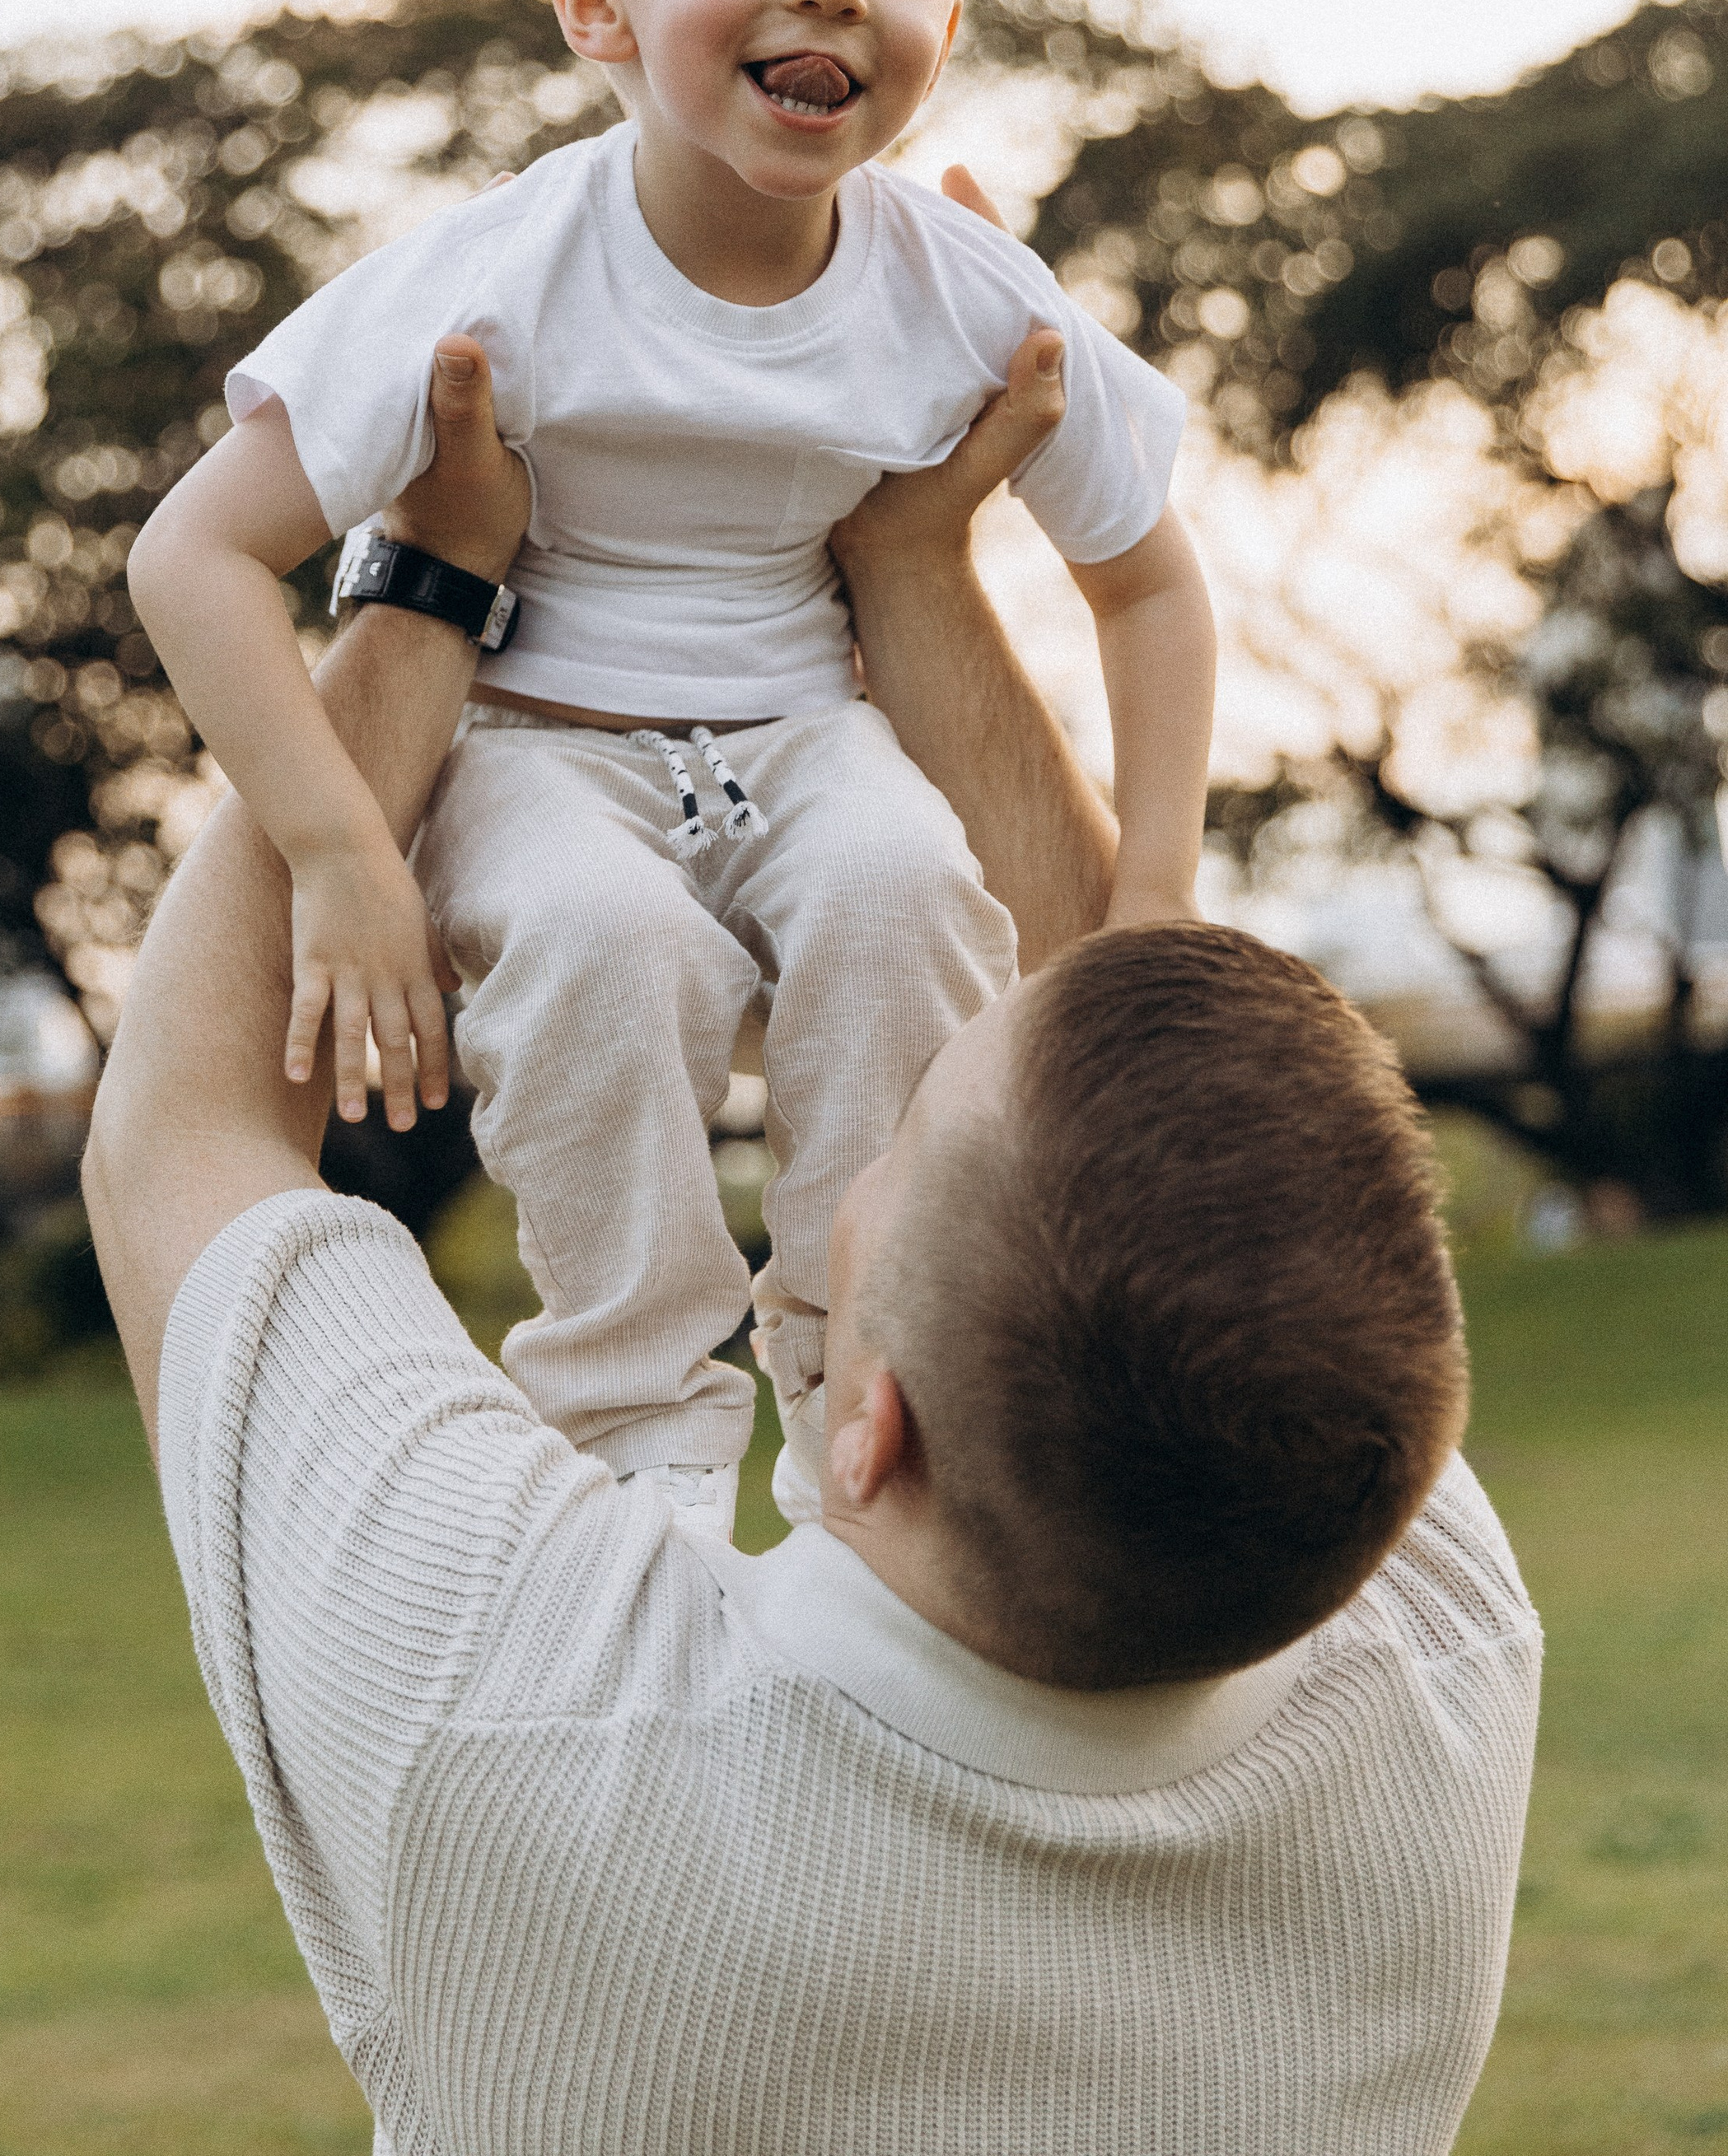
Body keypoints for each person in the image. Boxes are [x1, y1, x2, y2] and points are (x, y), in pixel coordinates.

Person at [84, 340, 1539, 2156]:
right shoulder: (1437, 1671)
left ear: (866, 1427)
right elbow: (1147, 1076)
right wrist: (912, 568)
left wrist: (432, 577)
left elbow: (190, 1132)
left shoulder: (518, 1709)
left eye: (900, 1141)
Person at [125, 0, 1217, 1536]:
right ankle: (634, 1414)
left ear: (942, 22)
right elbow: (192, 555)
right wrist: (339, 856)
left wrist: (1156, 912)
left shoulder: (950, 287)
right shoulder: (499, 276)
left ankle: (858, 1362)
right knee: (597, 939)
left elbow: (1151, 586)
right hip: (546, 744)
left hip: (810, 735)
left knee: (901, 896)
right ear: (596, 2)